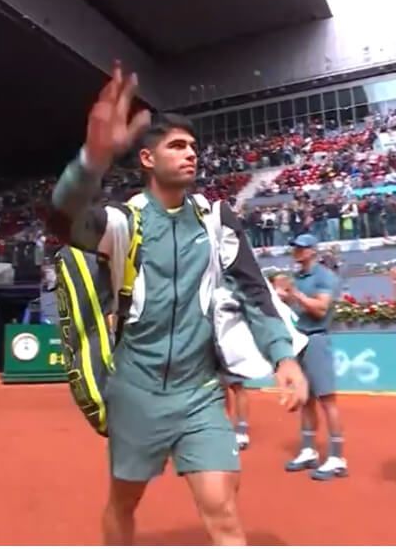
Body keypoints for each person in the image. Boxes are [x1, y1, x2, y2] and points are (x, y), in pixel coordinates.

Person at [49, 62, 307, 545]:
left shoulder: (216, 220)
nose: (191, 154)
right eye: (177, 146)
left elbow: (254, 291)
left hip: (200, 392)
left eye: (193, 147)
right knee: (124, 503)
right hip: (135, 392)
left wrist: (284, 355)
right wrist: (91, 160)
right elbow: (64, 223)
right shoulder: (121, 223)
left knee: (223, 509)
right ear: (147, 159)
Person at [275, 234, 347, 481]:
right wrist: (282, 296)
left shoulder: (325, 277)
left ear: (312, 251)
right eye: (294, 248)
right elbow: (293, 306)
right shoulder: (297, 277)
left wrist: (294, 293)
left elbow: (320, 309)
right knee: (305, 399)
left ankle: (337, 457)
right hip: (298, 340)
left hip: (316, 339)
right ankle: (308, 450)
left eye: (300, 248)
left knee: (327, 400)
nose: (296, 252)